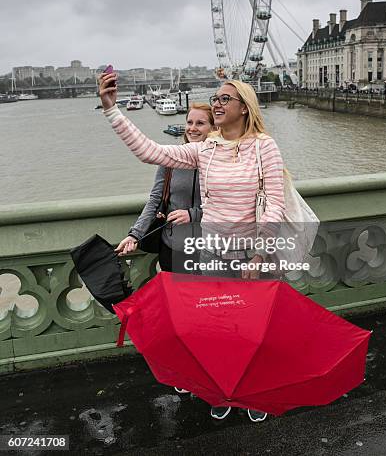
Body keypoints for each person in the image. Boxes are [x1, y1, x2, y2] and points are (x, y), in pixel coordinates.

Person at [99, 72, 285, 423]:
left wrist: (260, 253)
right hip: (212, 257)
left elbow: (275, 203)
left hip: (252, 256)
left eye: (224, 99)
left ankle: (254, 391)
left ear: (244, 108)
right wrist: (112, 110)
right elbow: (150, 152)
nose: (217, 103)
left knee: (253, 332)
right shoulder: (205, 150)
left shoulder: (264, 147)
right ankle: (221, 389)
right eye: (214, 98)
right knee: (216, 330)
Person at [115, 103, 214, 273]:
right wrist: (135, 234)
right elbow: (155, 200)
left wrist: (193, 214)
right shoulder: (172, 158)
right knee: (176, 298)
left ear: (214, 127)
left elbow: (229, 205)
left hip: (209, 251)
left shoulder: (221, 160)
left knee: (207, 299)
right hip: (172, 249)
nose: (192, 128)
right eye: (189, 123)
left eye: (200, 123)